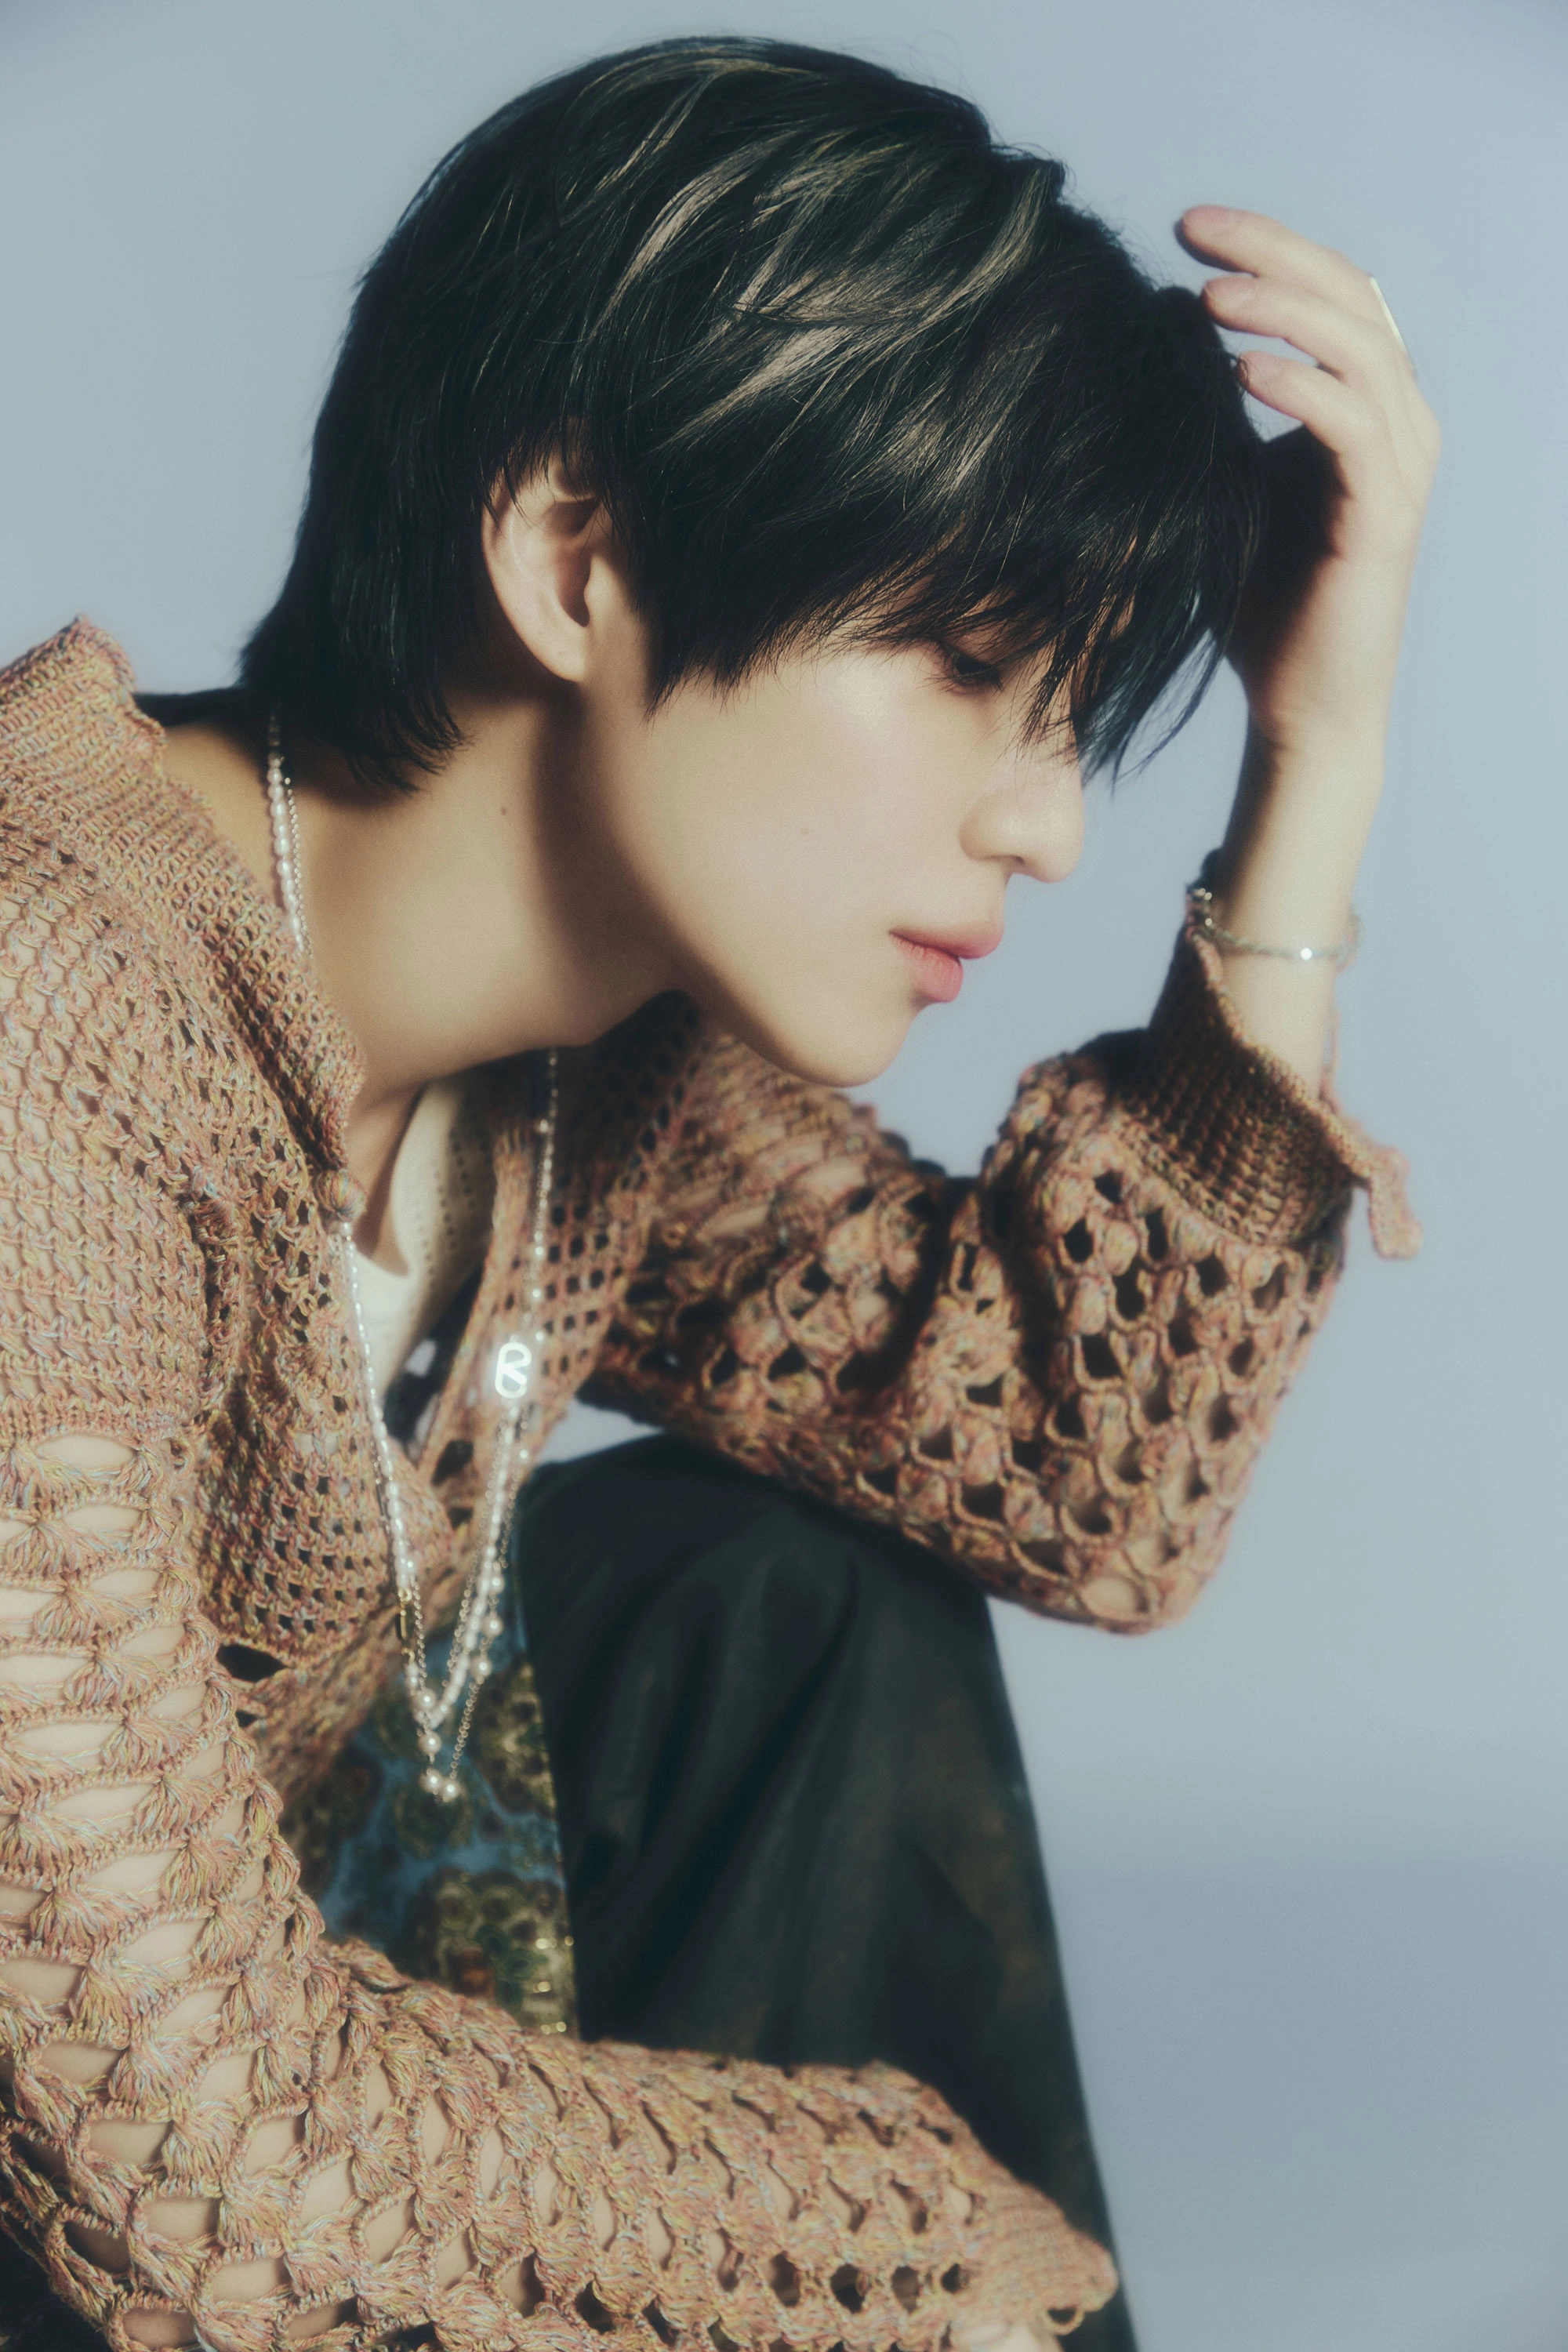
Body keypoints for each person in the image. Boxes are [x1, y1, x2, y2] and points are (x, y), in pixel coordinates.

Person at [0, 33, 1435, 2352]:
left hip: (181, 2063)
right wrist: (908, 2251)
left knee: (782, 1609)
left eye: (1073, 711)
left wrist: (1318, 751)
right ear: (576, 559)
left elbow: (1077, 1468)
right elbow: (185, 2145)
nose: (1050, 824)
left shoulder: (596, 1064)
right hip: (108, 2141)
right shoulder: (48, 1017)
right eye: (969, 666)